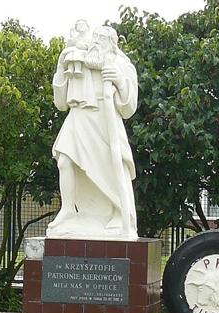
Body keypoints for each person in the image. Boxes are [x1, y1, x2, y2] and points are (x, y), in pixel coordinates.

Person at [46, 25, 139, 240]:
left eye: (103, 38)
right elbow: (61, 103)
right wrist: (61, 68)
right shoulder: (78, 60)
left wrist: (118, 80)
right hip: (78, 116)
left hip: (104, 121)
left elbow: (128, 108)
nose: (96, 41)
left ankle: (118, 212)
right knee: (64, 162)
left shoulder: (121, 64)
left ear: (113, 45)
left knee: (110, 169)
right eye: (95, 37)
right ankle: (68, 210)